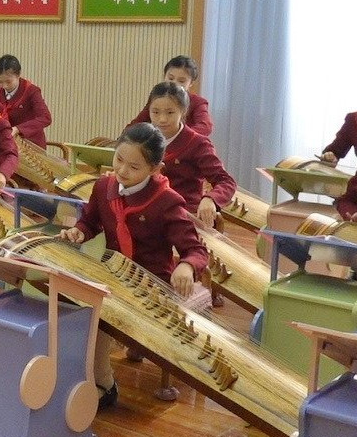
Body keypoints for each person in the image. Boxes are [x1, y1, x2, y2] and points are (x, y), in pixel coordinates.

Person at [59, 123, 208, 409]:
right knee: (83, 301)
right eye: (118, 160)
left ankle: (101, 383)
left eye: (134, 166)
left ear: (156, 168)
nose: (123, 171)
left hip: (152, 282)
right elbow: (90, 220)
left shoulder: (166, 201)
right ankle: (94, 379)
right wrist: (79, 230)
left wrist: (187, 266)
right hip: (116, 275)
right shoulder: (104, 187)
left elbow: (195, 250)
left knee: (100, 308)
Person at [145, 82, 235, 226]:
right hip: (147, 212)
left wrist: (210, 199)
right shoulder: (144, 138)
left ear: (183, 111)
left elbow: (226, 181)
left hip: (184, 215)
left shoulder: (197, 143)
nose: (162, 119)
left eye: (170, 112)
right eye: (155, 112)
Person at [127, 55, 214, 137]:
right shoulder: (157, 98)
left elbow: (205, 126)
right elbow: (138, 123)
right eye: (170, 78)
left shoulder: (198, 102)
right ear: (164, 76)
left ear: (191, 83)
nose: (174, 83)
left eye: (181, 81)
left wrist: (180, 136)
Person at [0, 54, 52, 148]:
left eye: (8, 82)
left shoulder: (31, 91)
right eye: (0, 81)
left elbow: (45, 118)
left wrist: (18, 129)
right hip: (8, 144)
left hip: (31, 144)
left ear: (18, 75)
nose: (4, 86)